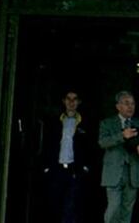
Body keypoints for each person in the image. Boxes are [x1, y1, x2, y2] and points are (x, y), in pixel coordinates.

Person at [98, 90, 139, 223]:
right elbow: (102, 142)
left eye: (132, 103)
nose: (130, 106)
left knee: (127, 211)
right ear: (118, 106)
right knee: (113, 207)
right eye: (126, 103)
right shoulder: (107, 123)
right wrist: (122, 135)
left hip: (132, 172)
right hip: (114, 172)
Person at [40, 90, 91, 223]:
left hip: (75, 169)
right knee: (54, 204)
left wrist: (85, 167)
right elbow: (47, 144)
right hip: (56, 169)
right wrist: (47, 166)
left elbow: (89, 147)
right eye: (68, 99)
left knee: (72, 206)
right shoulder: (55, 122)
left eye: (75, 99)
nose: (71, 102)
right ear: (64, 101)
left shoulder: (85, 123)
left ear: (79, 102)